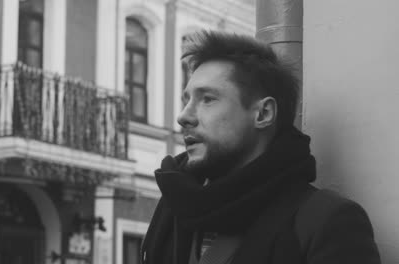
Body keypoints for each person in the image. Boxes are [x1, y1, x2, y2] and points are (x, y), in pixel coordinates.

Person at [141, 31, 381, 264]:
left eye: (208, 99)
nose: (184, 116)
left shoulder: (325, 223)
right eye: (187, 99)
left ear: (263, 113)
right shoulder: (172, 211)